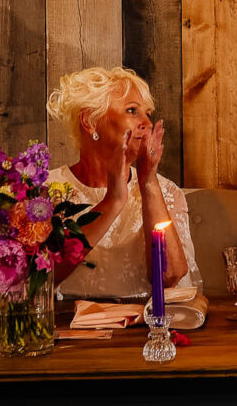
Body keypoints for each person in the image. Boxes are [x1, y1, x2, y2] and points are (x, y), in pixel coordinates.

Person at [45, 66, 196, 298]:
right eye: (132, 111)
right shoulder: (45, 192)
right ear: (89, 121)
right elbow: (42, 278)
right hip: (67, 328)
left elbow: (171, 277)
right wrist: (114, 200)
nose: (146, 122)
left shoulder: (166, 191)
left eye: (147, 113)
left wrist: (148, 184)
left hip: (142, 329)